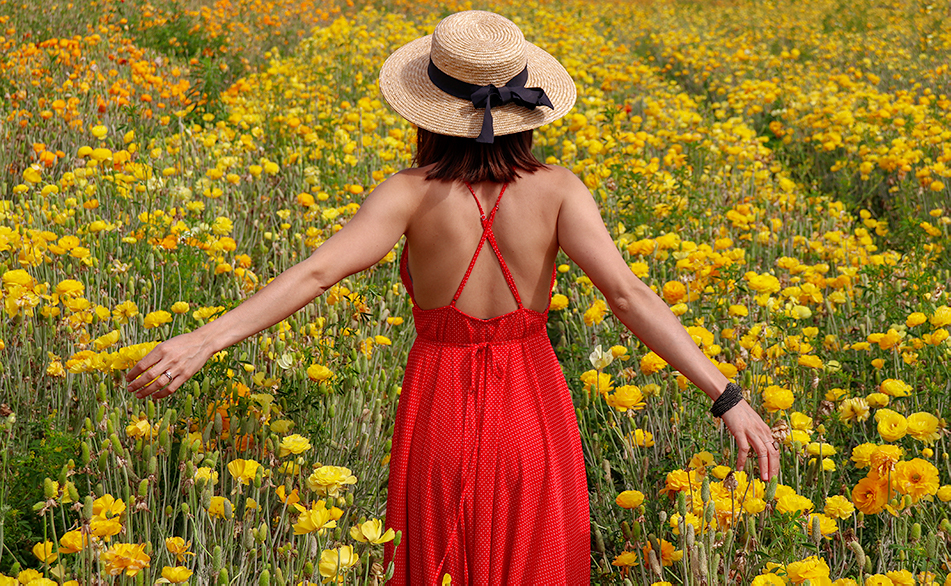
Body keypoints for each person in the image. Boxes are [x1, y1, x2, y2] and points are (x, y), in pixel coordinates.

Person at [126, 9, 780, 584]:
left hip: (437, 403)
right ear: (527, 109)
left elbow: (315, 275)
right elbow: (629, 296)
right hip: (531, 406)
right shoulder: (558, 191)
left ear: (427, 110)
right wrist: (724, 396)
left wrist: (201, 340)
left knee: (438, 557)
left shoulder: (406, 192)